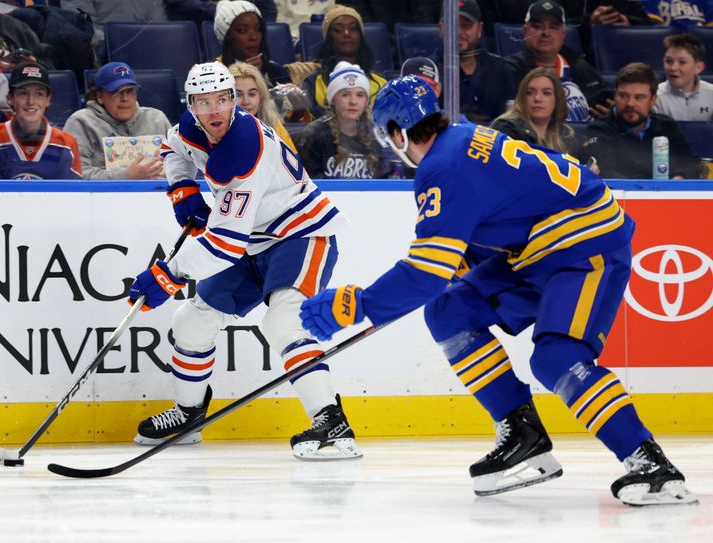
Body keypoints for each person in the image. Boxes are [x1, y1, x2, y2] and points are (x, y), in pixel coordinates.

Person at [299, 75, 698, 506]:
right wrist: (460, 260)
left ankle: (651, 464)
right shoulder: (461, 138)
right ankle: (522, 434)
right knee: (450, 311)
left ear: (396, 134)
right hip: (544, 246)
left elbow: (427, 273)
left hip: (587, 246)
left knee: (557, 357)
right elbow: (502, 209)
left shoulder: (441, 167)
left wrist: (360, 305)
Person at [126, 61, 361, 461]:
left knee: (284, 322)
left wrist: (169, 274)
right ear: (191, 106)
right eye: (204, 102)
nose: (214, 110)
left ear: (234, 100)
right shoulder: (190, 128)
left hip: (300, 235)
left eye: (222, 99)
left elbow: (224, 244)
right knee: (192, 321)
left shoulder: (244, 149)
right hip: (251, 240)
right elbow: (172, 149)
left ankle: (332, 425)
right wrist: (182, 190)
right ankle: (189, 415)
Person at [581, 62, 700, 179]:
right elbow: (605, 171)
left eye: (639, 97)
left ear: (653, 100)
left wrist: (679, 178)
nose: (630, 104)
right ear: (615, 96)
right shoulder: (598, 130)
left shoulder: (667, 126)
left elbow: (691, 163)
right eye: (623, 96)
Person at [63, 61, 171, 180]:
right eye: (116, 92)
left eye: (130, 91)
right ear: (100, 96)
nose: (125, 98)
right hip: (104, 192)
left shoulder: (156, 119)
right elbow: (74, 174)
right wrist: (125, 176)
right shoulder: (81, 122)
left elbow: (180, 164)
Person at [506, 0, 609, 122]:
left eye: (553, 27)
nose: (546, 33)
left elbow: (603, 96)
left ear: (563, 34)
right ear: (525, 31)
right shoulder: (510, 70)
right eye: (538, 26)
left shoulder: (579, 65)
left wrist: (610, 112)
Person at [0, 62, 81, 179]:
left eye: (39, 94)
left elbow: (72, 190)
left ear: (48, 99)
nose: (31, 101)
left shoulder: (67, 144)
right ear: (10, 98)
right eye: (23, 93)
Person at [299, 60, 385, 179]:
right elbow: (308, 183)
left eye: (360, 95)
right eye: (345, 94)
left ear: (366, 101)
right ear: (333, 100)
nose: (353, 101)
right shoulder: (315, 135)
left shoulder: (377, 135)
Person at [301, 5, 387, 119]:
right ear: (328, 37)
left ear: (360, 36)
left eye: (353, 28)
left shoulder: (381, 83)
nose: (346, 33)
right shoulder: (313, 82)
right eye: (338, 30)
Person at [491, 67, 581, 156]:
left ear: (557, 99)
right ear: (522, 98)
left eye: (546, 93)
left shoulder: (566, 135)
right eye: (529, 92)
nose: (537, 98)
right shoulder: (506, 129)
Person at [453, 0, 516, 124]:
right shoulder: (430, 70)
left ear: (479, 29)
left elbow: (510, 120)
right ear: (441, 28)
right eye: (453, 26)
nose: (459, 32)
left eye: (466, 26)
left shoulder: (499, 69)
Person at [214, 0, 290, 86]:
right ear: (227, 36)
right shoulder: (216, 76)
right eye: (242, 30)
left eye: (258, 29)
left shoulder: (276, 71)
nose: (254, 37)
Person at [228, 61, 297, 151]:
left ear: (261, 96)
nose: (246, 101)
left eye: (252, 94)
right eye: (238, 95)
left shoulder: (273, 124)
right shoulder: (216, 131)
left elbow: (292, 158)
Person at [654, 34, 713, 122]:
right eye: (668, 61)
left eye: (682, 62)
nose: (673, 68)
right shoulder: (654, 97)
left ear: (698, 67)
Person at [641, 0, 713, 31]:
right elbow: (655, 30)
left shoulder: (707, 1)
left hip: (699, 45)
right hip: (668, 44)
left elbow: (708, 32)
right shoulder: (650, 1)